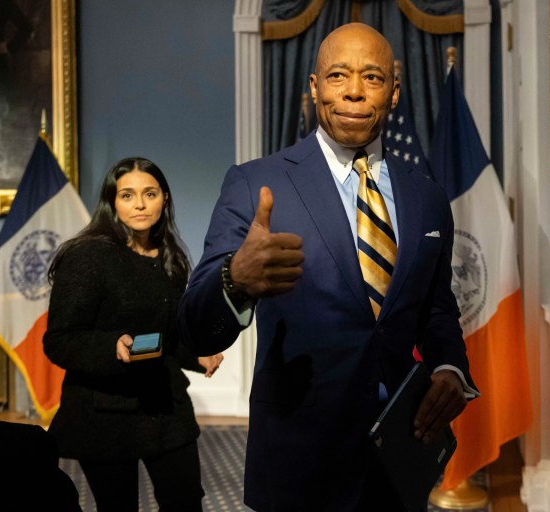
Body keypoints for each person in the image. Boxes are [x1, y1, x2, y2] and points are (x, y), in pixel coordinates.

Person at [179, 22, 478, 511]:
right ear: (315, 88)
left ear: (395, 91)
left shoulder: (427, 195)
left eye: (373, 78)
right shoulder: (255, 184)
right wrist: (235, 281)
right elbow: (195, 330)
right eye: (338, 76)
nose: (355, 92)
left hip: (397, 462)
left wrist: (449, 367)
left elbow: (437, 309)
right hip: (300, 463)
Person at [44, 157, 224, 511]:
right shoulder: (88, 256)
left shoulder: (171, 256)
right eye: (127, 195)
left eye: (150, 193)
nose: (140, 204)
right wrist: (111, 345)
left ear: (165, 199)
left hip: (164, 404)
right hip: (104, 412)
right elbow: (60, 340)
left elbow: (170, 336)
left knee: (186, 501)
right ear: (112, 202)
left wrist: (196, 355)